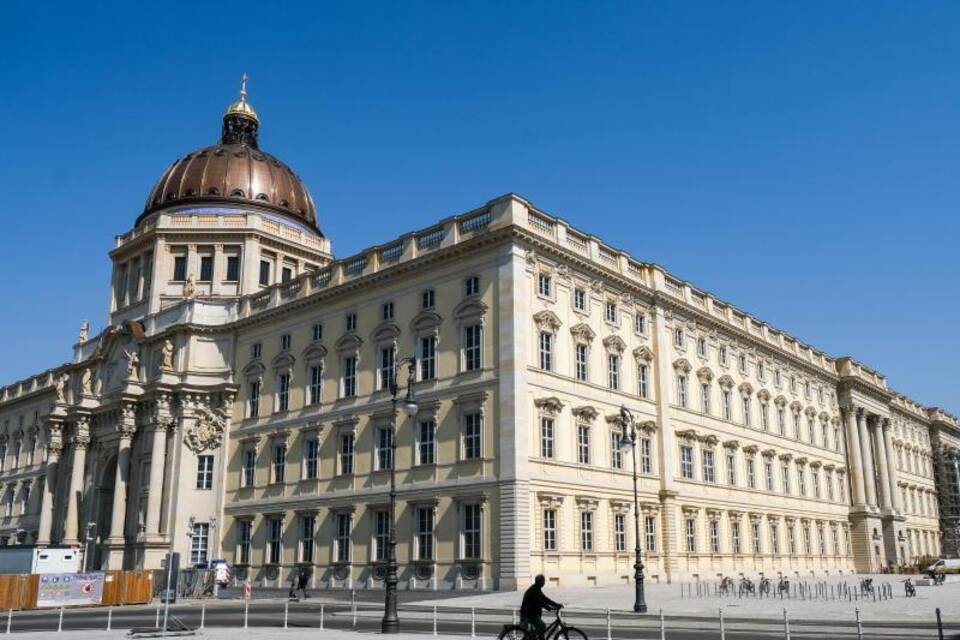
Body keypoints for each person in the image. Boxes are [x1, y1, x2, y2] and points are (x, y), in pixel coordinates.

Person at [520, 575, 562, 639]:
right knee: (542, 626)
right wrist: (549, 608)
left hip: (532, 613)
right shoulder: (534, 590)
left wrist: (556, 605)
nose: (544, 583)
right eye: (543, 581)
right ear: (539, 582)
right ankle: (529, 637)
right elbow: (539, 602)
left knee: (541, 631)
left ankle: (531, 636)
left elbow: (545, 599)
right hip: (528, 614)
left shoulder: (536, 588)